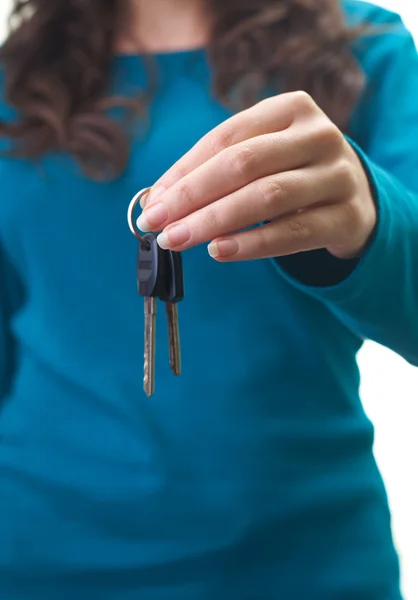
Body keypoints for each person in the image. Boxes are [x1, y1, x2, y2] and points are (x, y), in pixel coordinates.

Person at [0, 0, 417, 598]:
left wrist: (373, 216)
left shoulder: (366, 44)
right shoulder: (13, 78)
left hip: (305, 563)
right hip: (38, 557)